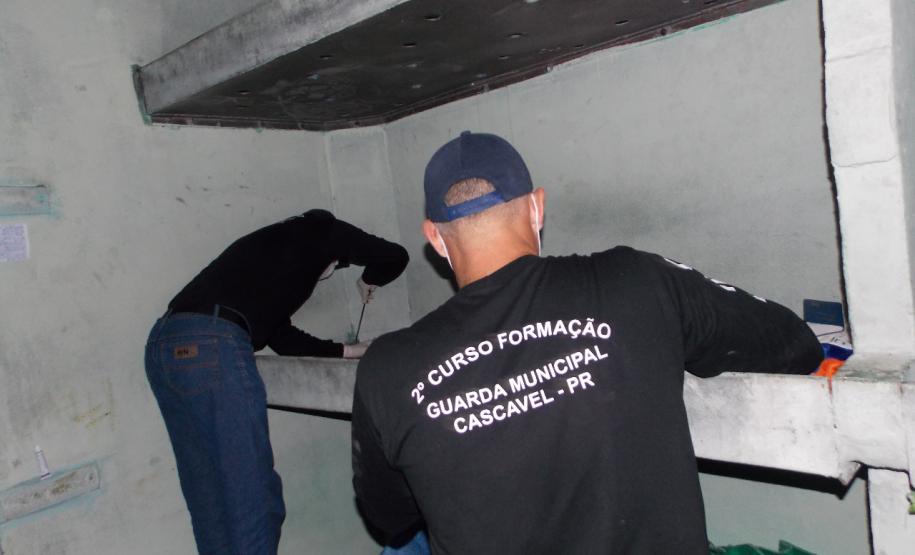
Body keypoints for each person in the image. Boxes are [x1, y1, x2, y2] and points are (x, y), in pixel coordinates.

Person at [351, 132, 822, 554]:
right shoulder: (636, 283)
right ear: (537, 208)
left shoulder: (388, 368)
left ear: (435, 238)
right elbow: (792, 343)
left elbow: (390, 516)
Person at [145, 209, 408, 555]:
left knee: (209, 491)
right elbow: (394, 256)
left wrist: (351, 350)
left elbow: (282, 338)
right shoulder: (320, 228)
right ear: (334, 260)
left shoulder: (262, 258)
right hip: (213, 344)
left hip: (165, 346)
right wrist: (369, 279)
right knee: (251, 493)